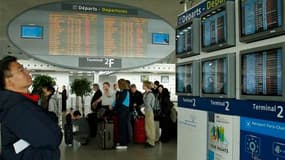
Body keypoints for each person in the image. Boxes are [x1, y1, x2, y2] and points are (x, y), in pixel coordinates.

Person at [0, 56, 62, 160]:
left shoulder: (21, 102)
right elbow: (53, 136)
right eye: (21, 70)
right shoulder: (17, 107)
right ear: (8, 81)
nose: (27, 71)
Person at [113, 79, 130, 149]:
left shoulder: (125, 92)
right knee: (121, 126)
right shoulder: (122, 92)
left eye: (118, 83)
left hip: (123, 111)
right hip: (122, 110)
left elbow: (120, 102)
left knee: (122, 127)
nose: (117, 84)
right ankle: (122, 141)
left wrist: (114, 106)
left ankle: (123, 144)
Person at [142, 81, 156, 148]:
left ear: (146, 86)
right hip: (147, 111)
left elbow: (148, 104)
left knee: (150, 127)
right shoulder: (146, 93)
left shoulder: (150, 94)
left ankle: (151, 142)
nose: (142, 86)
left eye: (143, 85)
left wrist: (143, 108)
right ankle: (148, 140)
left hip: (149, 112)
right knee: (147, 127)